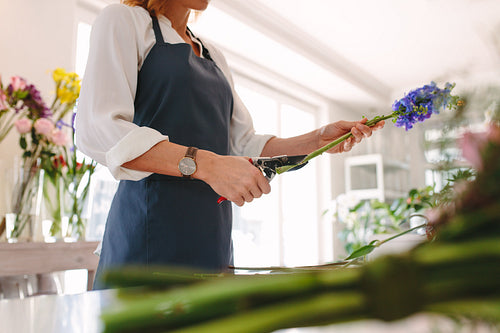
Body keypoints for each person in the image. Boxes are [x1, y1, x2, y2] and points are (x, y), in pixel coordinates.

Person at [75, 0, 384, 289]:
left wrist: (316, 140)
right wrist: (207, 164)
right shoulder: (124, 21)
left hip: (213, 237)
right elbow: (99, 128)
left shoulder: (213, 56)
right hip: (147, 235)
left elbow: (242, 144)